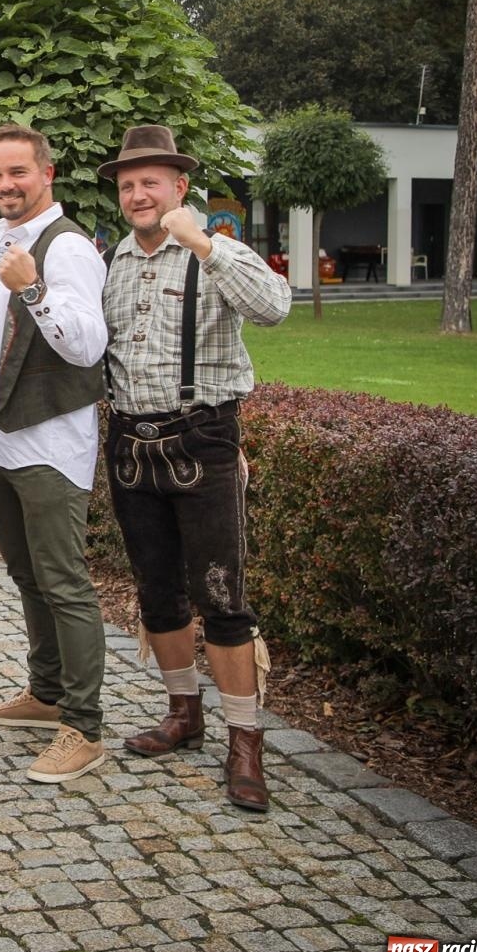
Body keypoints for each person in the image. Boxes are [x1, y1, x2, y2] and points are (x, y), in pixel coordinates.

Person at [98, 125, 291, 812]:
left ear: (180, 187)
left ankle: (246, 741)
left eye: (151, 181)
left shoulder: (219, 249)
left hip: (203, 438)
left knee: (222, 596)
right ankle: (184, 711)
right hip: (128, 442)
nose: (138, 194)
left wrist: (203, 242)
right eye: (127, 184)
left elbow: (274, 308)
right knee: (155, 592)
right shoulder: (113, 261)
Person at [0, 124, 110, 783]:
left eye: (18, 172)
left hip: (47, 444)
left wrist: (34, 289)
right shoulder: (6, 242)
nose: (5, 185)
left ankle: (84, 726)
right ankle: (46, 694)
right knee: (26, 576)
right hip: (1, 441)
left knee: (65, 584)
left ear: (47, 172)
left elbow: (86, 346)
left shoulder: (65, 248)